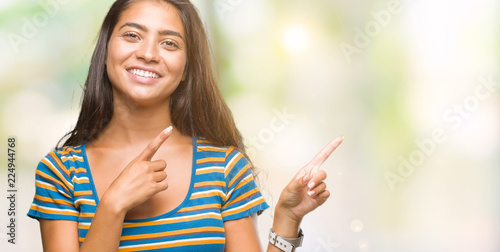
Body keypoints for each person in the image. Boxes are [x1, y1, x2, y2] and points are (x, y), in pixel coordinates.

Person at [27, 0, 343, 251]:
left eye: (169, 43)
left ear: (186, 68)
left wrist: (287, 218)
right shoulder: (60, 172)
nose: (148, 53)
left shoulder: (224, 167)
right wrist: (113, 205)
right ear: (106, 50)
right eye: (132, 35)